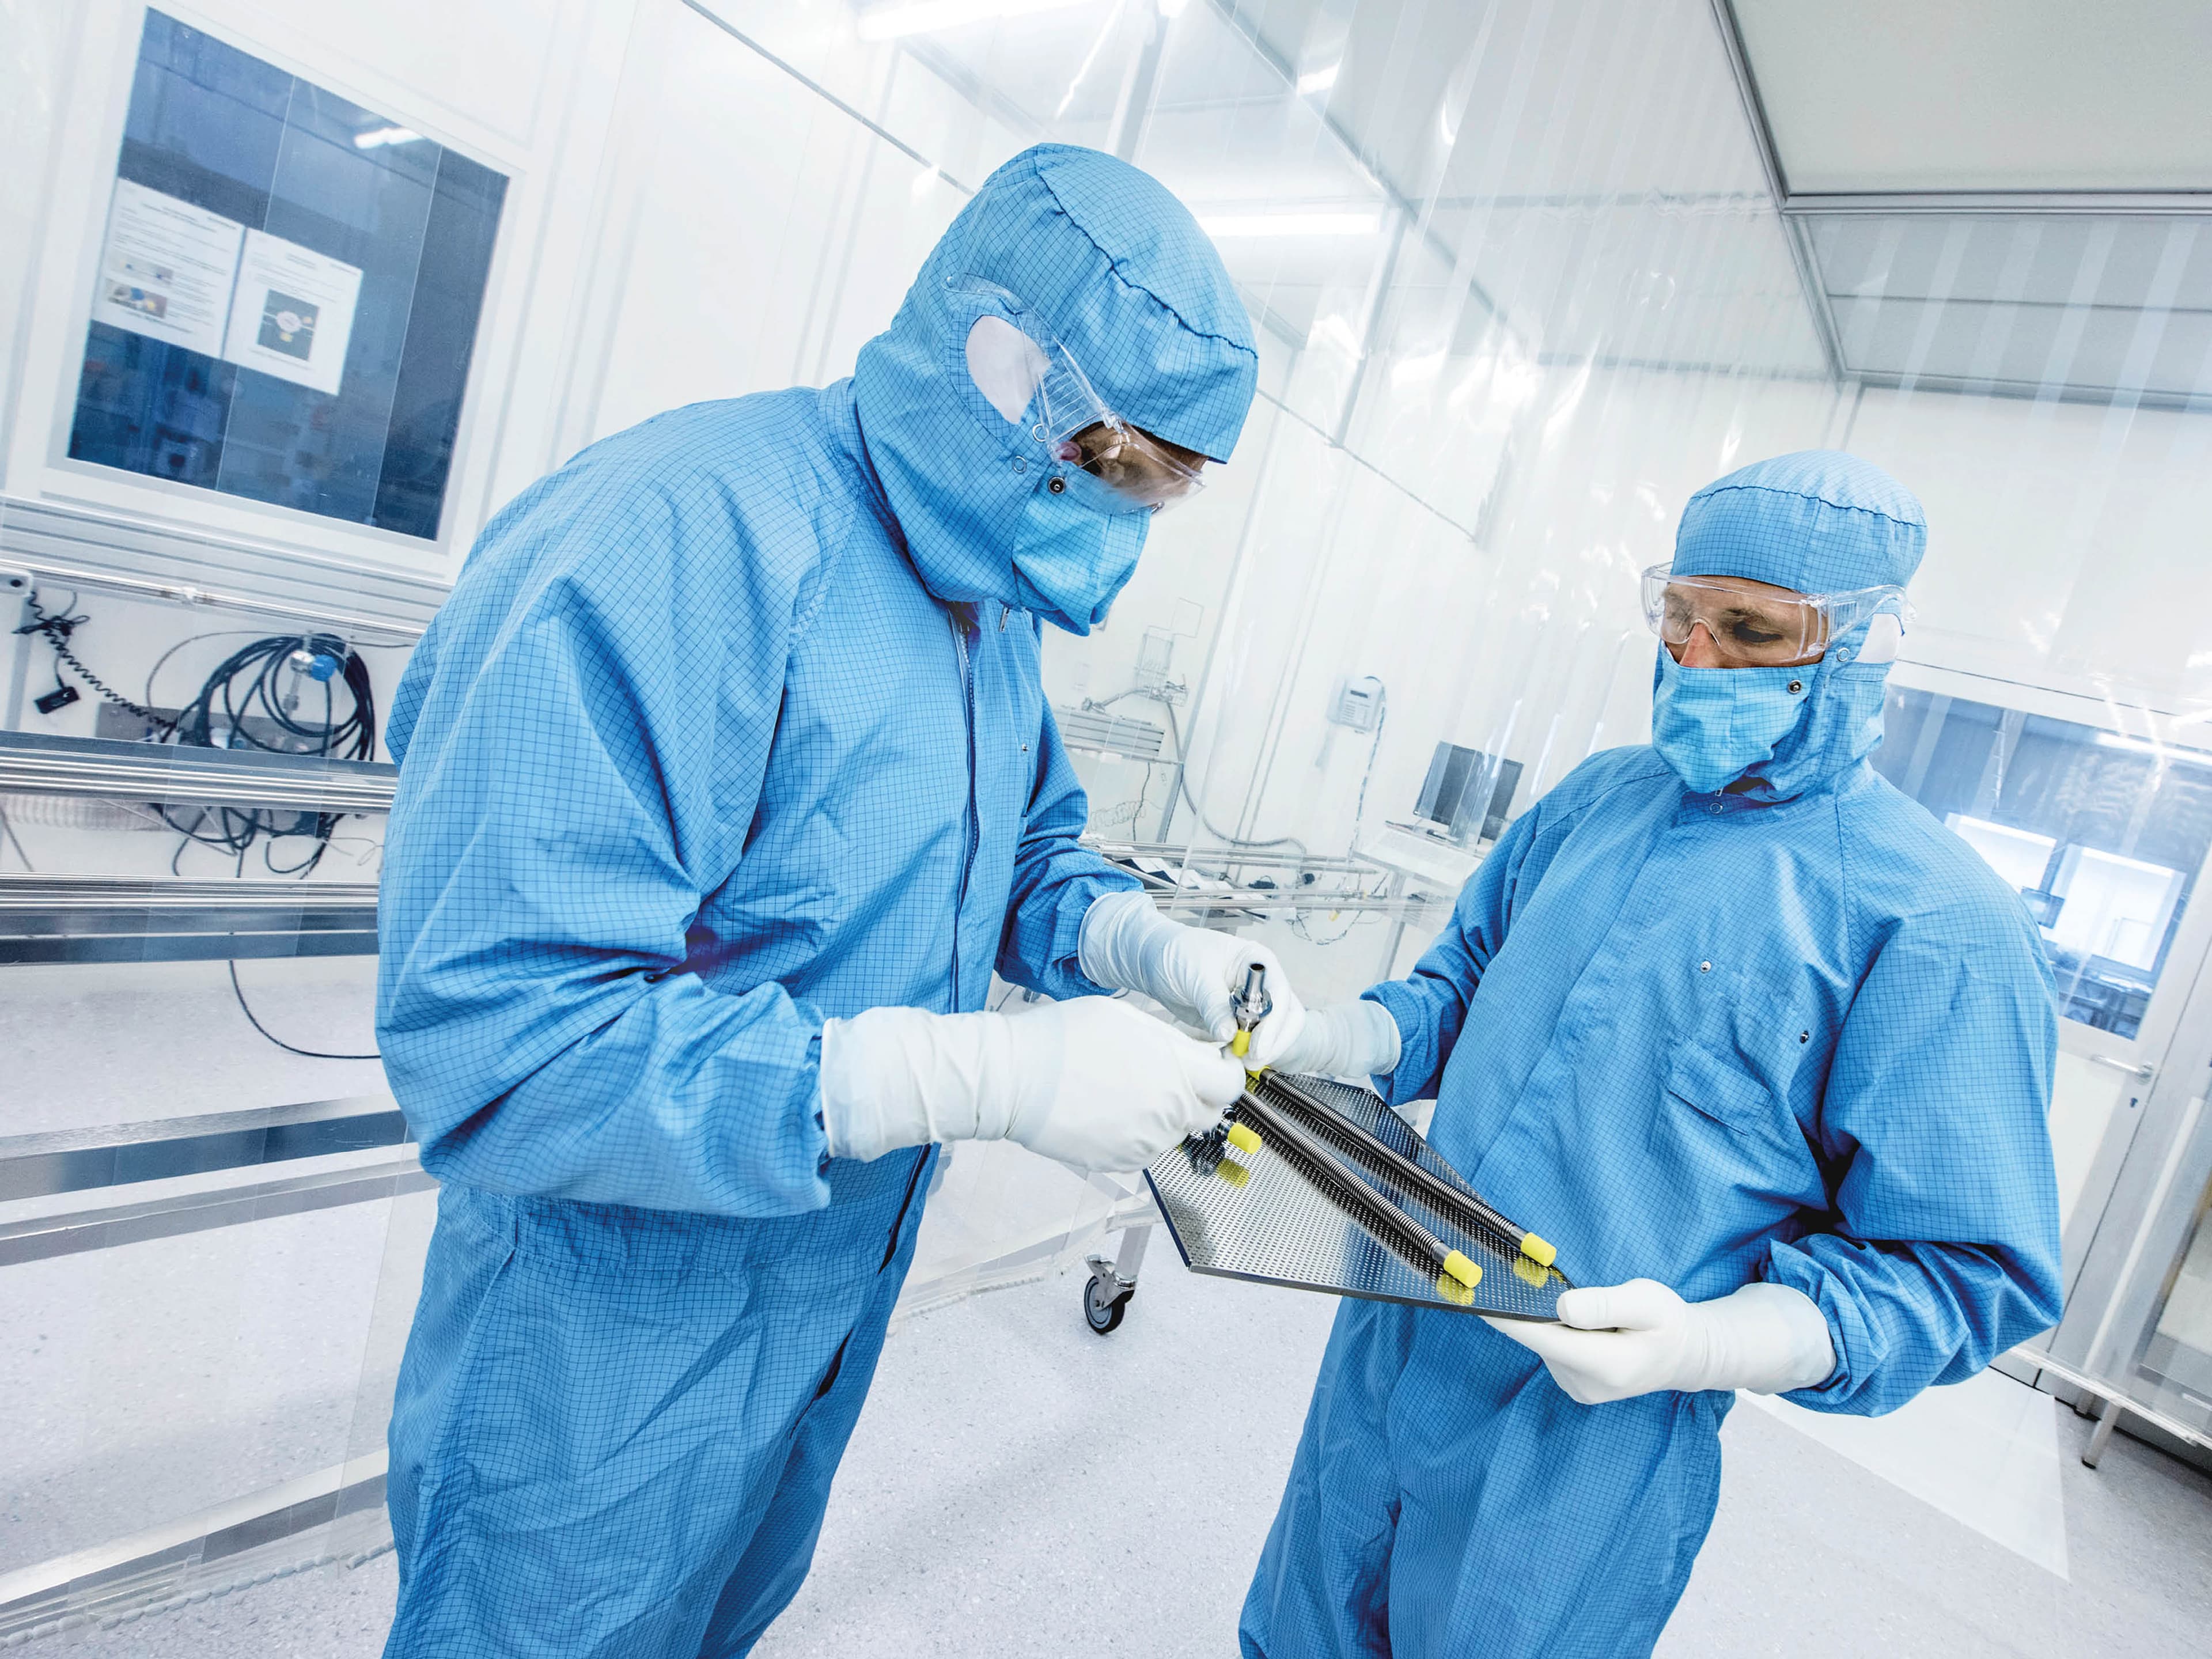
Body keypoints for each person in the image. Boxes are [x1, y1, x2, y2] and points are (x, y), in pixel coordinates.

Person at [373, 143, 1310, 1657]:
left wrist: (1148, 944)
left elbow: (1013, 849)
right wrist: (976, 1071)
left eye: (1166, 495)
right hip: (611, 1322)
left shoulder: (977, 597)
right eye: (1115, 469)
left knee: (718, 1613)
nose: (1126, 526)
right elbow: (501, 1041)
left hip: (821, 1301)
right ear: (1002, 367)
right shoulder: (675, 539)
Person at [1243, 452, 2063, 1659]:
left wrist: (1712, 1342)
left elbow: (1959, 1272)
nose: (1698, 659)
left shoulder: (1935, 927)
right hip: (1395, 1331)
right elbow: (1457, 991)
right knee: (1296, 1632)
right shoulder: (1599, 800)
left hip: (1583, 1437)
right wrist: (1330, 1033)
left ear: (1863, 647)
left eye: (1750, 630)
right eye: (1679, 616)